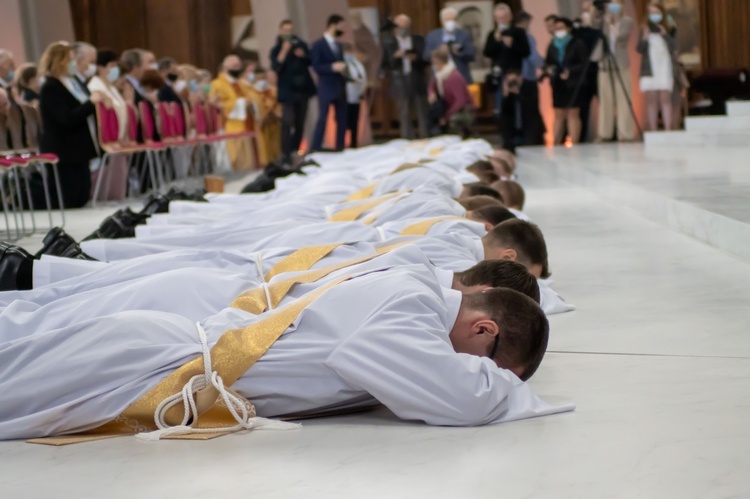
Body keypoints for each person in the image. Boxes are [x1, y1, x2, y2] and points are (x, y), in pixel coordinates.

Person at [36, 41, 106, 208]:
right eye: (71, 59)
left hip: (79, 148)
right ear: (60, 61)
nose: (74, 63)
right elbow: (66, 118)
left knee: (82, 194)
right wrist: (91, 103)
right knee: (71, 198)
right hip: (64, 149)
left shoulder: (73, 83)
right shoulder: (51, 86)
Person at [483, 4, 530, 152]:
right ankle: (506, 138)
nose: (502, 20)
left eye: (504, 17)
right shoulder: (493, 33)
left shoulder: (518, 32)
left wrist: (512, 44)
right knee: (500, 108)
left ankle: (518, 137)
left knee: (515, 106)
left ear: (510, 17)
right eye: (499, 17)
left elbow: (525, 52)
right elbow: (487, 52)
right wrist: (497, 42)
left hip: (514, 75)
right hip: (498, 75)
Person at [270, 20, 316, 164]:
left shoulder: (301, 45)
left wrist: (303, 55)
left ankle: (297, 150)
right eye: (285, 30)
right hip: (287, 91)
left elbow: (311, 61)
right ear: (281, 31)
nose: (288, 33)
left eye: (291, 30)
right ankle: (285, 153)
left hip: (302, 90)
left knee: (300, 122)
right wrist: (284, 50)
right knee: (287, 121)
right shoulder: (276, 49)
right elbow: (276, 66)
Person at [88, 49, 129, 201]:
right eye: (111, 65)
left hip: (118, 135)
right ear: (100, 67)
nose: (114, 69)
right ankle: (108, 195)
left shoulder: (111, 87)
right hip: (105, 136)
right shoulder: (96, 85)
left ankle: (117, 195)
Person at [592, 0, 636, 142]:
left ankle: (626, 133)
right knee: (605, 99)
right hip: (605, 62)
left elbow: (622, 37)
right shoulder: (604, 20)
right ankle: (605, 133)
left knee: (623, 99)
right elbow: (593, 25)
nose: (613, 7)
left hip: (621, 63)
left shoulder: (627, 21)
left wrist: (611, 23)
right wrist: (597, 14)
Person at [381, 14, 430, 140]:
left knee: (422, 111)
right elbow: (385, 64)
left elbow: (426, 60)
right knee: (404, 112)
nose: (402, 29)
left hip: (416, 78)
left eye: (405, 27)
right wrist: (395, 56)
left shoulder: (418, 40)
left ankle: (425, 137)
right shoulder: (388, 42)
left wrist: (415, 58)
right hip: (400, 80)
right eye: (399, 27)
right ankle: (407, 139)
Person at [544, 17, 590, 145]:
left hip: (574, 83)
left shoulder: (577, 43)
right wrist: (549, 70)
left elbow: (585, 63)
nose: (559, 31)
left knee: (573, 112)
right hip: (558, 83)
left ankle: (574, 142)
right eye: (556, 28)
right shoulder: (552, 45)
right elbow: (548, 62)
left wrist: (571, 71)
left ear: (568, 29)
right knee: (559, 113)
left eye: (561, 28)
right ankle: (556, 141)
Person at [310, 14, 348, 152]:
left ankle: (340, 146)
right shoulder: (318, 45)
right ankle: (316, 147)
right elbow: (316, 65)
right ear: (333, 25)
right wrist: (332, 67)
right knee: (323, 117)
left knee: (342, 117)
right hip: (326, 85)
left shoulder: (339, 45)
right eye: (341, 26)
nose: (342, 29)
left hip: (339, 85)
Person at [638, 4, 678, 131]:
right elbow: (639, 49)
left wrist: (665, 34)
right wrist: (644, 37)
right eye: (652, 13)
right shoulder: (644, 29)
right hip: (649, 68)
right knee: (651, 99)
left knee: (665, 98)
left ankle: (668, 128)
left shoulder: (669, 28)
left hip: (664, 67)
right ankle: (653, 129)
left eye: (657, 12)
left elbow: (674, 47)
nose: (654, 15)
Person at [210, 54, 255, 169]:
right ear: (226, 67)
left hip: (246, 123)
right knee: (233, 158)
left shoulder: (240, 83)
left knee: (248, 160)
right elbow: (215, 104)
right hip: (229, 125)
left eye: (239, 66)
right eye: (234, 66)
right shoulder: (217, 84)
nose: (237, 69)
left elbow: (251, 97)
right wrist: (240, 103)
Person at [428, 48, 475, 138]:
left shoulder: (453, 77)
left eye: (434, 63)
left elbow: (460, 101)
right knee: (433, 117)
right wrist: (431, 93)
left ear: (440, 63)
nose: (433, 66)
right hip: (449, 108)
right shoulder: (440, 76)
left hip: (464, 110)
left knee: (450, 122)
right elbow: (431, 85)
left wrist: (446, 117)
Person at [424, 7, 476, 84]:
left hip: (460, 77)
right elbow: (425, 56)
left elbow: (471, 55)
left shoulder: (464, 35)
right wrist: (438, 52)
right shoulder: (432, 36)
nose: (450, 22)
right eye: (447, 19)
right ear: (442, 21)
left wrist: (457, 52)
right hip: (439, 78)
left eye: (453, 19)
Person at [516, 11, 545, 146]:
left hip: (517, 78)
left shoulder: (511, 36)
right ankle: (532, 138)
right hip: (527, 78)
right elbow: (533, 57)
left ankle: (525, 137)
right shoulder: (527, 38)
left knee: (522, 110)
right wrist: (545, 64)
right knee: (531, 110)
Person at [248, 67, 282, 166]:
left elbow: (277, 103)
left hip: (274, 120)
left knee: (276, 143)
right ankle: (266, 163)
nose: (261, 80)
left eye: (263, 77)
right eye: (258, 77)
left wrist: (274, 112)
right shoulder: (251, 92)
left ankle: (277, 161)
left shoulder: (273, 89)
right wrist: (262, 116)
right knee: (263, 145)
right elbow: (253, 106)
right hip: (261, 122)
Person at [343, 43, 367, 149]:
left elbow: (363, 78)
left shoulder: (357, 64)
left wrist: (362, 90)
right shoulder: (344, 64)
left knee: (355, 121)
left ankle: (354, 143)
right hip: (346, 96)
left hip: (356, 96)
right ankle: (343, 143)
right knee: (345, 121)